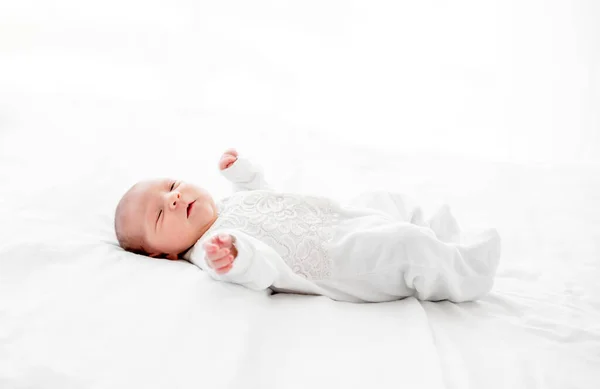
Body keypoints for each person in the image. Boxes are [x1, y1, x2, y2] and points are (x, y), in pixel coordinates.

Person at [115, 148, 501, 303]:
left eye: (172, 187)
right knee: (402, 244)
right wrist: (234, 256)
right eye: (161, 214)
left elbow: (260, 194)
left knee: (384, 201)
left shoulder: (226, 204)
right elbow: (258, 268)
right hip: (337, 260)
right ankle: (464, 274)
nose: (174, 198)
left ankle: (439, 235)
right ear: (161, 254)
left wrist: (244, 174)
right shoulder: (209, 248)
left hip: (334, 217)